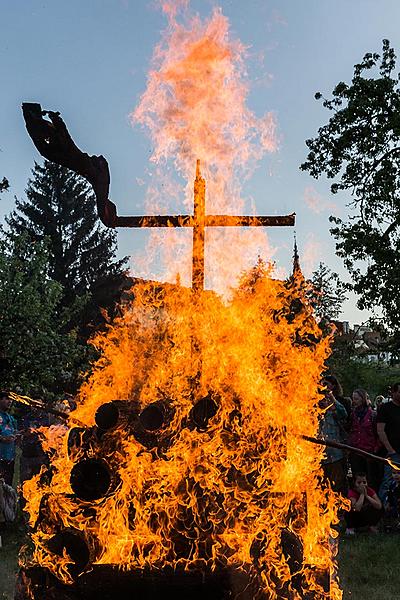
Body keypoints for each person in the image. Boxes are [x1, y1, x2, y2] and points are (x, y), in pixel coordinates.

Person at [348, 388, 381, 490]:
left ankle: (371, 501)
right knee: (357, 479)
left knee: (371, 480)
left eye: (356, 399)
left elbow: (379, 434)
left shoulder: (373, 415)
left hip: (369, 453)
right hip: (356, 452)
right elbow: (350, 431)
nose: (354, 401)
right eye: (353, 399)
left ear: (362, 399)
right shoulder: (353, 415)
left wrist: (375, 449)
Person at [319, 381, 349, 495]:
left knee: (336, 488)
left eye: (325, 399)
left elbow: (343, 413)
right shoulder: (312, 415)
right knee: (320, 490)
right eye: (321, 399)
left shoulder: (335, 414)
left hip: (335, 457)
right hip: (319, 460)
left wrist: (331, 396)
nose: (323, 402)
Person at [377, 382, 400, 504]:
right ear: (394, 393)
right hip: (392, 452)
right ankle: (384, 508)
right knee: (388, 480)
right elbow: (380, 431)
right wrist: (390, 450)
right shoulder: (385, 408)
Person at [0, 391, 18, 486]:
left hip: (9, 458)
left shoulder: (11, 418)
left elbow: (14, 433)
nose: (9, 401)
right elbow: (4, 437)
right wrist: (2, 438)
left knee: (7, 487)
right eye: (6, 398)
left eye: (10, 399)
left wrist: (21, 434)